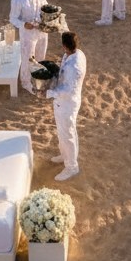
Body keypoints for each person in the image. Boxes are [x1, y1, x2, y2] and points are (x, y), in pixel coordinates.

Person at [47, 31, 86, 182]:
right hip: (63, 102)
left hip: (67, 104)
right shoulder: (77, 53)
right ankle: (64, 155)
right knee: (63, 132)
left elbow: (68, 91)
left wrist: (48, 93)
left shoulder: (74, 67)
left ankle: (71, 167)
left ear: (64, 46)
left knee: (68, 135)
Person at [10, 0, 48, 94]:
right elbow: (13, 18)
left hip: (41, 31)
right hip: (28, 34)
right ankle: (26, 83)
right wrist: (24, 24)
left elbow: (45, 5)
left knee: (41, 56)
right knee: (27, 58)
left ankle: (38, 79)